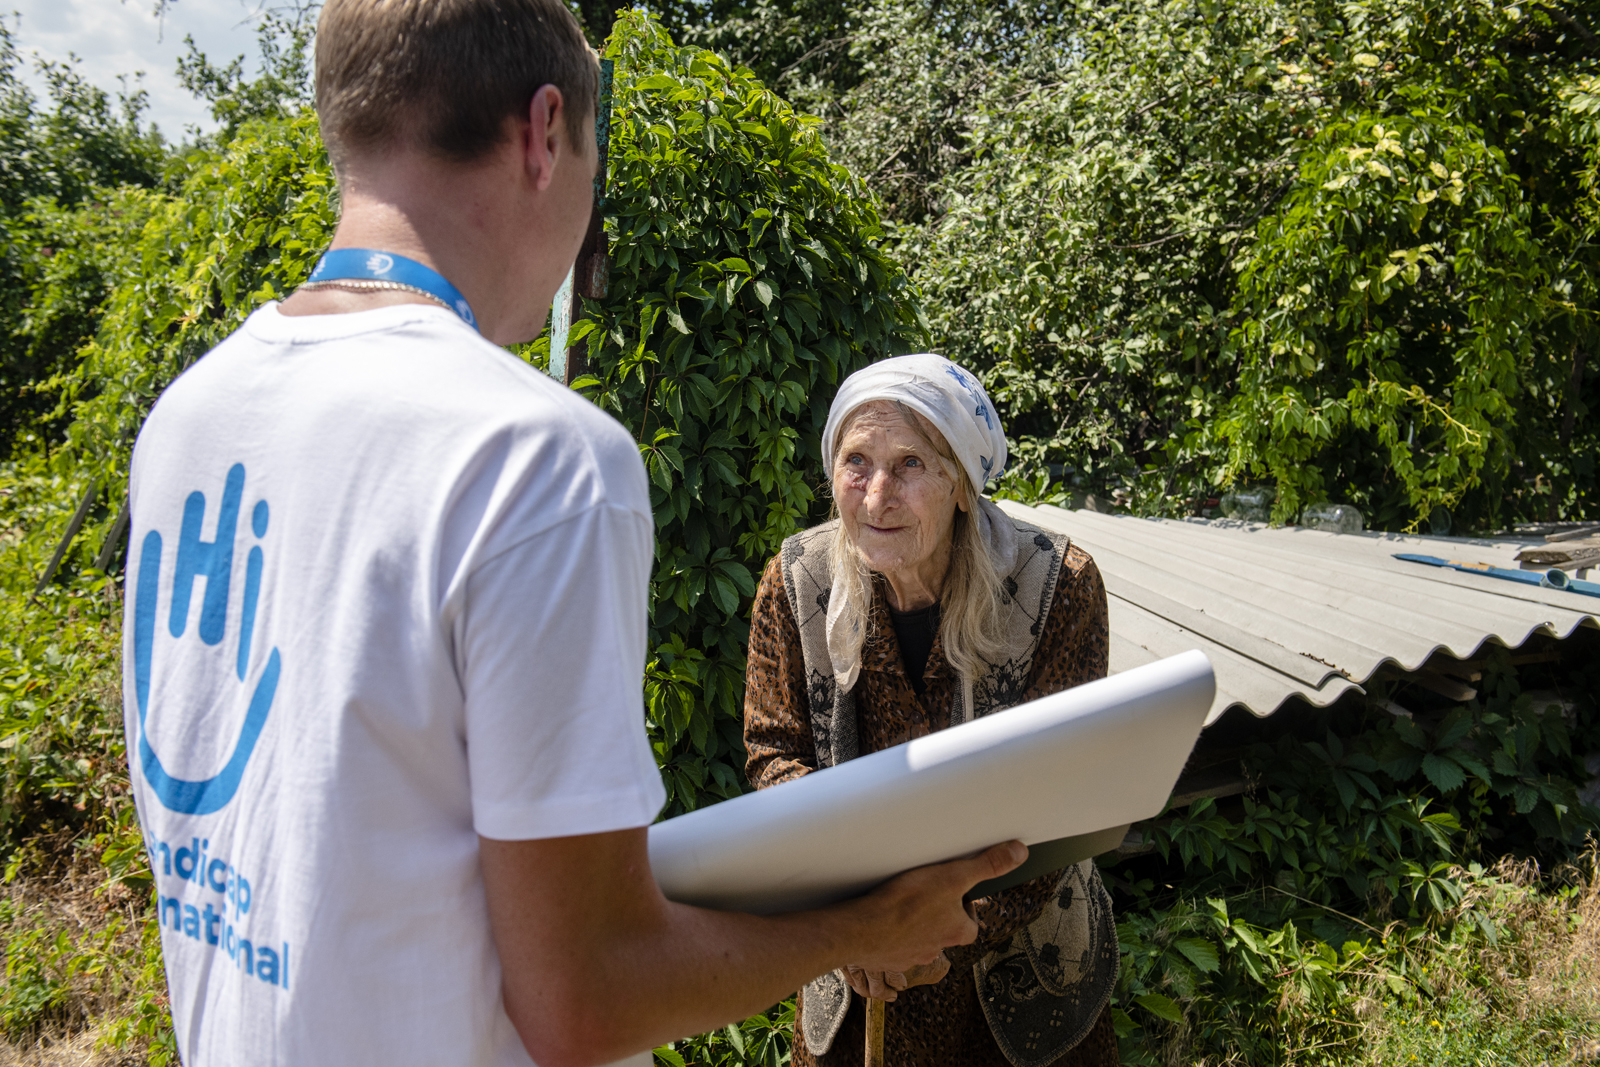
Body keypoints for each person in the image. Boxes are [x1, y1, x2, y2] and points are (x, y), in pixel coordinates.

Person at [119, 4, 1026, 1066]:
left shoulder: (190, 413)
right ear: (546, 131)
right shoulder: (533, 457)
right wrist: (864, 928)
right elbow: (582, 1001)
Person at [744, 354, 1121, 1067]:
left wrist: (932, 930)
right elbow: (773, 756)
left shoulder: (1055, 587)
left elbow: (1064, 797)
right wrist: (855, 923)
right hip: (855, 964)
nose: (877, 494)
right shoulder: (797, 582)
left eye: (910, 463)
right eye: (857, 461)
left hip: (1022, 969)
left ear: (961, 484)